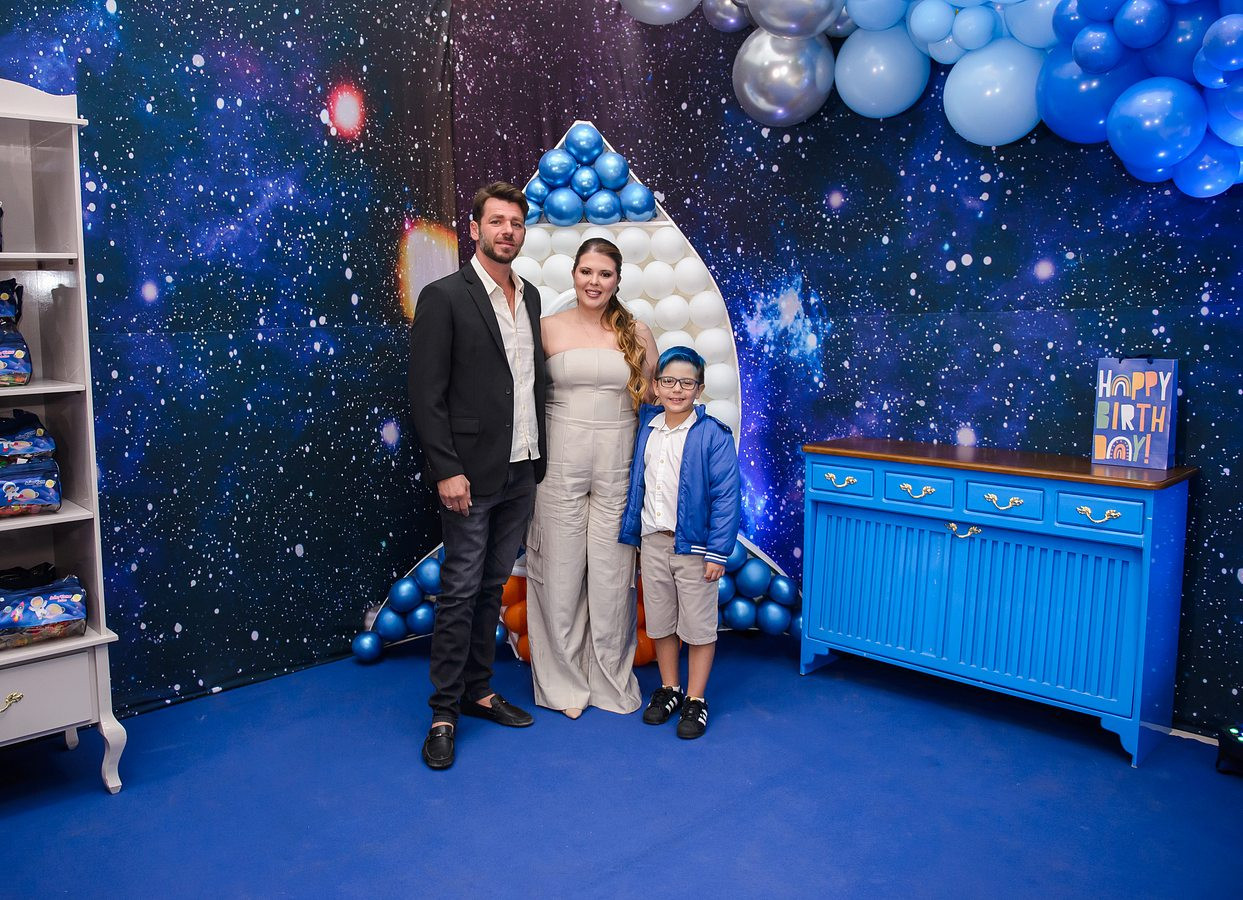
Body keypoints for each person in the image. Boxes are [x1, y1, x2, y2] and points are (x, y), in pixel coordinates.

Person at [408, 182, 547, 770]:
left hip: (522, 468)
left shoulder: (530, 296)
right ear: (475, 229)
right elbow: (426, 394)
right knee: (461, 590)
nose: (507, 231)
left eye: (515, 223)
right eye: (496, 221)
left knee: (492, 587)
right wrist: (447, 469)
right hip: (469, 474)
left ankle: (479, 689)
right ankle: (443, 713)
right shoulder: (444, 296)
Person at [524, 237, 658, 718]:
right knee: (558, 576)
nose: (594, 282)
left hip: (617, 471)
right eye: (586, 272)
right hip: (558, 469)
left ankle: (608, 679)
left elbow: (654, 404)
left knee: (611, 579)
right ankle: (563, 684)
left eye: (604, 274)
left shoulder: (637, 332)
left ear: (617, 280)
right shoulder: (546, 328)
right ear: (573, 275)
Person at [618, 346, 741, 739]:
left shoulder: (713, 435)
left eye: (687, 383)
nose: (677, 390)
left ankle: (695, 698)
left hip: (695, 548)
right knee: (661, 622)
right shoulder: (647, 429)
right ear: (656, 386)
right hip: (653, 543)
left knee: (699, 627)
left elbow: (726, 496)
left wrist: (717, 552)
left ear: (699, 390)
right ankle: (670, 688)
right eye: (668, 381)